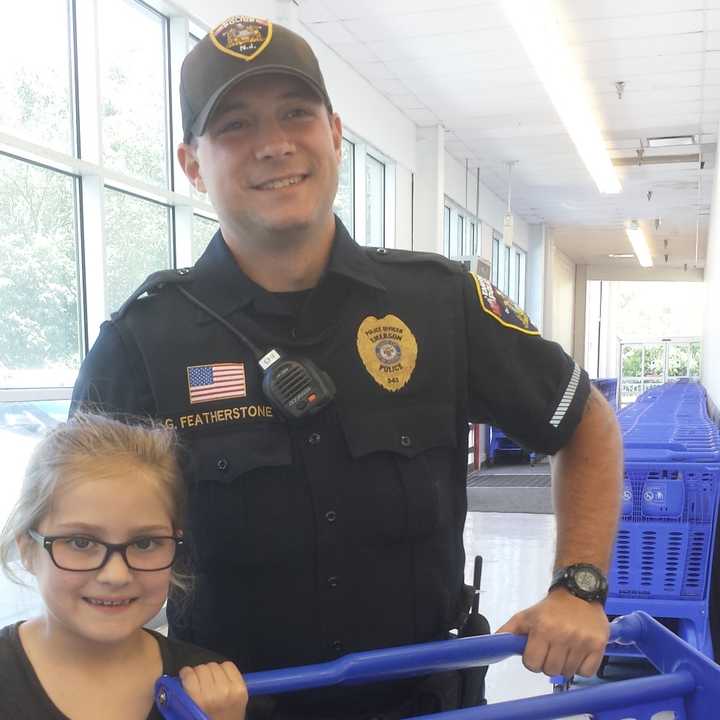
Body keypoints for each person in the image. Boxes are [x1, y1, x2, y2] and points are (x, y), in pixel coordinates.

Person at [70, 15, 623, 719]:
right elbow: (76, 544)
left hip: (425, 696)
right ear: (191, 162)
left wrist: (577, 587)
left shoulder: (440, 302)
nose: (274, 144)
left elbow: (584, 423)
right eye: (235, 124)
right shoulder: (141, 343)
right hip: (235, 710)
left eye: (295, 114)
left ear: (333, 133)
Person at [0, 413, 248, 720]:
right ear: (27, 549)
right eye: (80, 542)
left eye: (145, 543)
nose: (116, 575)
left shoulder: (212, 688)